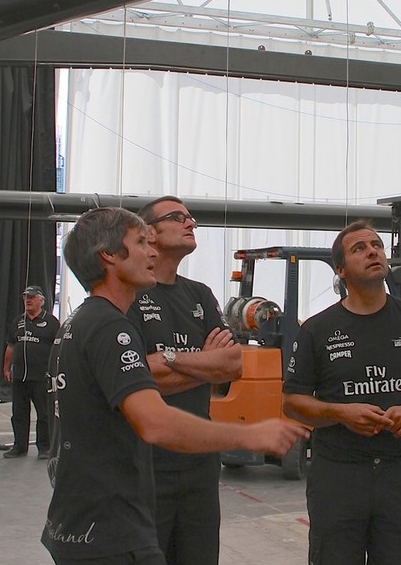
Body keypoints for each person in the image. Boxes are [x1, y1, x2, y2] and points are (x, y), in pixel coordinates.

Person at [42, 206, 307, 564]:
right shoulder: (109, 327)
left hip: (85, 523)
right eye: (139, 243)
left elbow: (229, 365)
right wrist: (247, 436)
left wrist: (170, 361)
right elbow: (155, 423)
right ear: (109, 256)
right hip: (109, 530)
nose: (150, 251)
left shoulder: (82, 321)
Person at [282, 219, 401, 565]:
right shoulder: (318, 330)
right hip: (339, 476)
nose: (372, 251)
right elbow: (292, 402)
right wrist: (339, 413)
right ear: (341, 269)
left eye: (376, 245)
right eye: (359, 248)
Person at [127, 196, 242, 565]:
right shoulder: (128, 296)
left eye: (191, 218)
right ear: (149, 233)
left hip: (199, 463)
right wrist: (205, 364)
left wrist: (172, 359)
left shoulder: (200, 295)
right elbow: (136, 377)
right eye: (177, 217)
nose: (190, 222)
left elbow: (232, 365)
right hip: (146, 464)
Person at [3, 285, 61, 459]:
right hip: (20, 375)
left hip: (41, 375)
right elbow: (11, 346)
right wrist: (6, 367)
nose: (28, 300)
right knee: (19, 413)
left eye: (32, 297)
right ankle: (19, 446)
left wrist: (56, 370)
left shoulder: (51, 321)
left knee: (44, 413)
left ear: (41, 300)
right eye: (26, 297)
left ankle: (44, 447)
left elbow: (58, 348)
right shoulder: (18, 321)